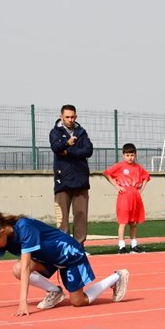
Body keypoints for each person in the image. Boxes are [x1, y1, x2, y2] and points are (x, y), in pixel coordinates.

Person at [0, 211, 129, 317]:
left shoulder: (24, 228)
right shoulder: (0, 237)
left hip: (68, 255)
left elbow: (26, 266)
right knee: (17, 268)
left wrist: (23, 302)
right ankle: (54, 291)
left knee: (78, 302)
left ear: (3, 231)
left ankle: (117, 277)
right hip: (48, 259)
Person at [49, 104, 93, 244]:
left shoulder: (82, 132)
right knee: (62, 216)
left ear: (76, 117)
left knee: (81, 214)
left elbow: (88, 151)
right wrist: (67, 143)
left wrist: (68, 151)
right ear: (61, 117)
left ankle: (79, 246)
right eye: (67, 117)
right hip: (63, 180)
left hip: (81, 179)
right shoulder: (55, 132)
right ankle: (64, 247)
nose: (70, 119)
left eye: (72, 117)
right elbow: (56, 147)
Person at [103, 143, 151, 254]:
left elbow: (146, 177)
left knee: (133, 222)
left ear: (135, 155)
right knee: (123, 221)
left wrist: (141, 189)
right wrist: (116, 185)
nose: (130, 157)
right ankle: (121, 246)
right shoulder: (120, 166)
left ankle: (134, 245)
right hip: (124, 196)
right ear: (123, 155)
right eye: (127, 155)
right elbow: (107, 173)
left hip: (135, 196)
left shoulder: (138, 168)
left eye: (132, 155)